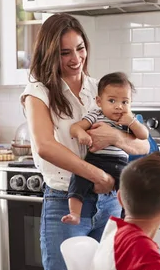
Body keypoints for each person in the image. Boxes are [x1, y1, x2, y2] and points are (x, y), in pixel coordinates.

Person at [19, 13, 149, 270]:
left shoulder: (100, 88)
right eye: (64, 52)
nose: (75, 58)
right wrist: (96, 173)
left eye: (79, 48)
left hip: (108, 205)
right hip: (66, 200)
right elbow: (45, 146)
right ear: (49, 54)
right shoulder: (38, 92)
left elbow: (145, 146)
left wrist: (119, 137)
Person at [61, 71, 149, 225]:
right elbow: (75, 127)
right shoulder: (96, 114)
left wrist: (132, 122)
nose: (119, 107)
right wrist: (81, 134)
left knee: (129, 187)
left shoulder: (128, 119)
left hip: (120, 164)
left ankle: (128, 219)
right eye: (112, 101)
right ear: (99, 101)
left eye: (125, 102)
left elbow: (144, 136)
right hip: (96, 161)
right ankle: (75, 213)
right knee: (78, 179)